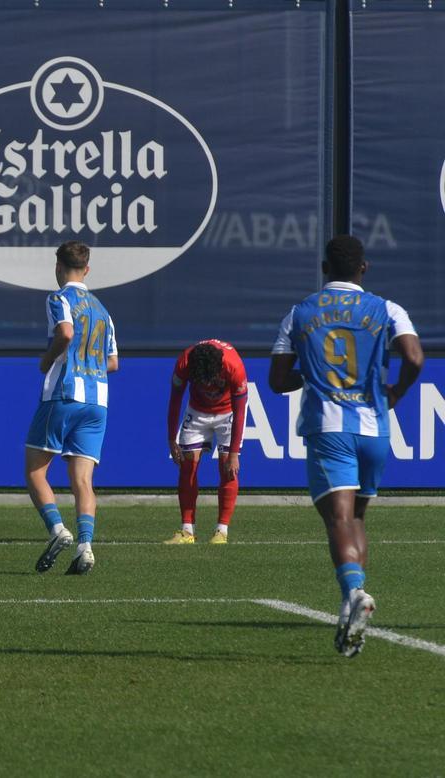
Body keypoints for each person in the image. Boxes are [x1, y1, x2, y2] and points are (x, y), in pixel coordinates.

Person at [269, 235, 423, 657]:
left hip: (329, 425)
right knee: (356, 518)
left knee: (337, 519)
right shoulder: (388, 308)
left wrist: (309, 376)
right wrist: (394, 395)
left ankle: (355, 592)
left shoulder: (299, 313)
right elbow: (413, 358)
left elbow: (278, 380)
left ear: (324, 269)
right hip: (375, 427)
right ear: (364, 268)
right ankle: (347, 606)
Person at [27, 241, 119, 575]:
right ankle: (86, 546)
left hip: (64, 394)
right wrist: (89, 365)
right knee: (83, 479)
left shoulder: (58, 298)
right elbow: (112, 362)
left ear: (58, 267)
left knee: (36, 470)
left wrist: (49, 359)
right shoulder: (103, 310)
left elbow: (65, 333)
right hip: (98, 402)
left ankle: (57, 530)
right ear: (87, 269)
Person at [164, 340, 249, 544]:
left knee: (228, 468)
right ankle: (187, 530)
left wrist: (234, 454)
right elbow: (175, 400)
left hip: (228, 412)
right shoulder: (184, 363)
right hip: (197, 411)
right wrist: (171, 438)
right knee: (187, 466)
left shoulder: (234, 366)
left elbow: (240, 412)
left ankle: (222, 531)